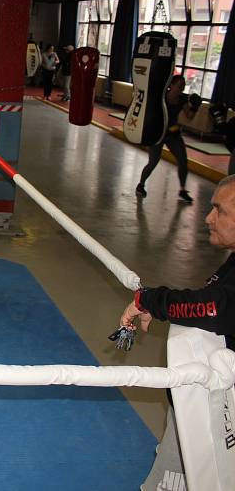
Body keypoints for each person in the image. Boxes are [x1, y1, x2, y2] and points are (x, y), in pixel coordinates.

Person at [119, 174, 235, 490]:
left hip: (218, 410)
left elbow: (214, 309)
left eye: (220, 211)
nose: (209, 218)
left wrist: (152, 300)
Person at [136, 75, 197, 203]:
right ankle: (141, 185)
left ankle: (183, 190)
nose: (182, 88)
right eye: (179, 85)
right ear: (171, 85)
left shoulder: (182, 100)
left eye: (183, 85)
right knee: (153, 162)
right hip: (158, 133)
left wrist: (195, 107)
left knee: (183, 161)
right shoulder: (161, 97)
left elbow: (189, 115)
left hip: (172, 134)